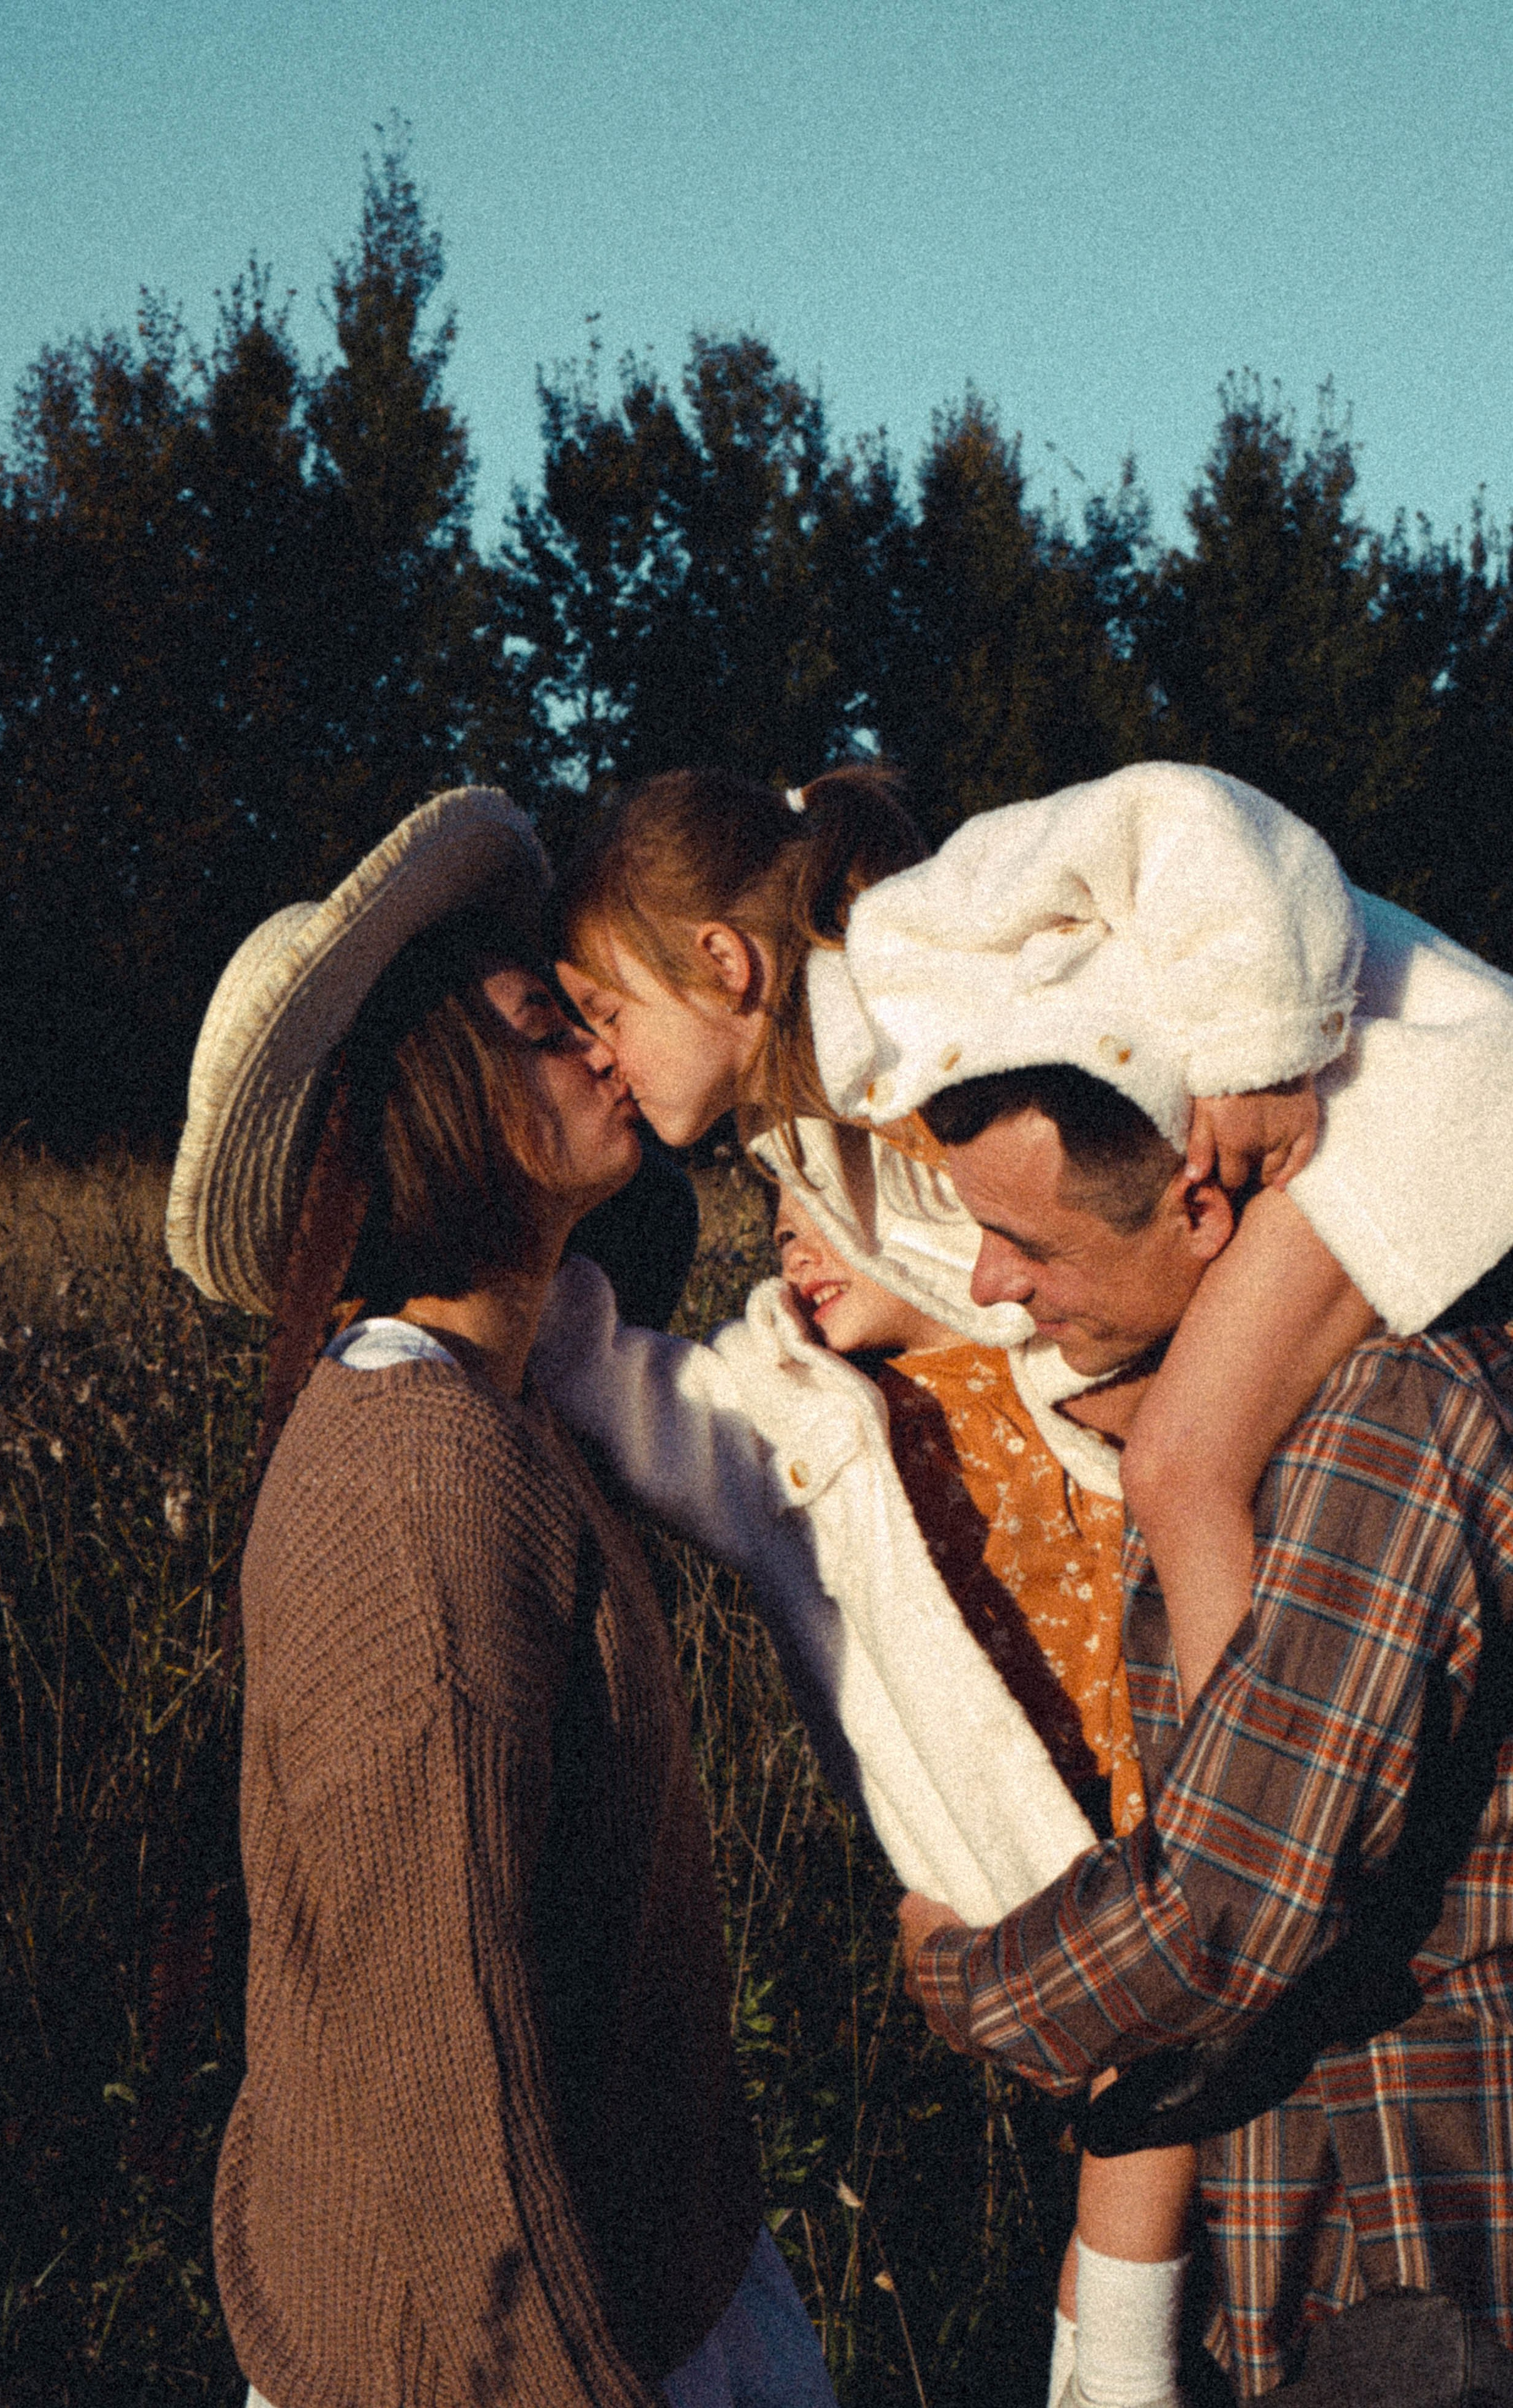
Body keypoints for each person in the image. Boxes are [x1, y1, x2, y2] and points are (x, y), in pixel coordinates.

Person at [164, 788, 836, 2408]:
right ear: (430, 1098)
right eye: (547, 1024)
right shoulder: (417, 1487)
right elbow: (451, 2121)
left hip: (644, 2292)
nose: (611, 1051)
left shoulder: (521, 1407)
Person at [876, 1058, 1513, 2403]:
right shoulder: (1250, 1413)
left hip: (1418, 2228)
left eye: (1025, 1241)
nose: (989, 1282)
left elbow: (1221, 1908)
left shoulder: (1387, 1421)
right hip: (1312, 2225)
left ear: (1203, 1208)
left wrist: (959, 1975)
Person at [535, 1188, 1191, 2407]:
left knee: (1188, 2153)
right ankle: (1113, 2377)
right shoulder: (799, 1415)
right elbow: (617, 1386)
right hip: (1046, 1878)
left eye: (827, 1198)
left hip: (1191, 1822)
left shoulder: (1067, 1352)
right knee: (1142, 2129)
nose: (788, 1240)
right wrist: (529, 1270)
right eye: (774, 1211)